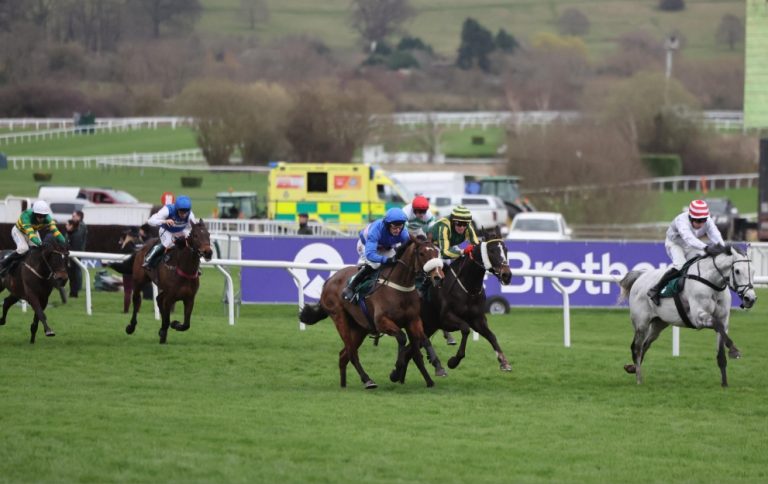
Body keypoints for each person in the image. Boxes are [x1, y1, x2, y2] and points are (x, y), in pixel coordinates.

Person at [647, 199, 725, 305]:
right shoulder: (681, 221)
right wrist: (706, 248)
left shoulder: (708, 221)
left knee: (701, 264)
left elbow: (715, 234)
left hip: (690, 245)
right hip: (675, 244)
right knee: (680, 266)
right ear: (690, 217)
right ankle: (655, 289)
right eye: (698, 221)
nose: (701, 224)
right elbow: (689, 239)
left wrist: (722, 247)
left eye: (703, 220)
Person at [341, 207, 410, 302]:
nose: (398, 231)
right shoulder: (376, 230)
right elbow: (370, 254)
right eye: (394, 227)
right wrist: (387, 260)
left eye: (400, 227)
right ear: (387, 225)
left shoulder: (404, 233)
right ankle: (351, 287)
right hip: (365, 246)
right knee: (375, 264)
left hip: (385, 247)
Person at [0, 201, 66, 277]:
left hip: (33, 232)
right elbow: (30, 234)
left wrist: (64, 241)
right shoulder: (26, 216)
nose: (41, 218)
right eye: (39, 215)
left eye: (43, 216)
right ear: (34, 213)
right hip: (19, 231)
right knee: (23, 249)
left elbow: (56, 232)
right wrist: (40, 243)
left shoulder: (48, 219)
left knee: (41, 250)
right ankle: (4, 263)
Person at [143, 195, 197, 268]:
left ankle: (195, 266)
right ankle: (149, 258)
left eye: (185, 212)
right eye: (181, 212)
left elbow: (192, 228)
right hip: (166, 230)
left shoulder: (190, 215)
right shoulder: (168, 210)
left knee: (192, 243)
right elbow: (150, 221)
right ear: (177, 209)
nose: (183, 215)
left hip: (180, 230)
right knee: (168, 243)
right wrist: (165, 221)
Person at [66, 210, 87, 297]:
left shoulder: (81, 226)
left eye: (74, 216)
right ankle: (74, 290)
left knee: (76, 271)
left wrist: (69, 231)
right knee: (73, 271)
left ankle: (76, 290)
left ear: (79, 217)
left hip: (76, 252)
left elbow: (76, 239)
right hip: (74, 251)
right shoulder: (77, 226)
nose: (72, 217)